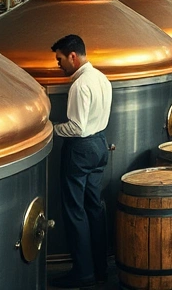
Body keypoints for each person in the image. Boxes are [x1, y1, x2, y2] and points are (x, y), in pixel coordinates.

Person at [49, 35, 113, 289]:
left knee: (75, 211)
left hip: (81, 149)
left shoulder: (79, 85)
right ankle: (100, 270)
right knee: (94, 209)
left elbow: (76, 127)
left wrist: (51, 129)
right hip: (100, 145)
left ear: (72, 56)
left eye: (60, 59)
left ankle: (82, 272)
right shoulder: (101, 78)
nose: (58, 65)